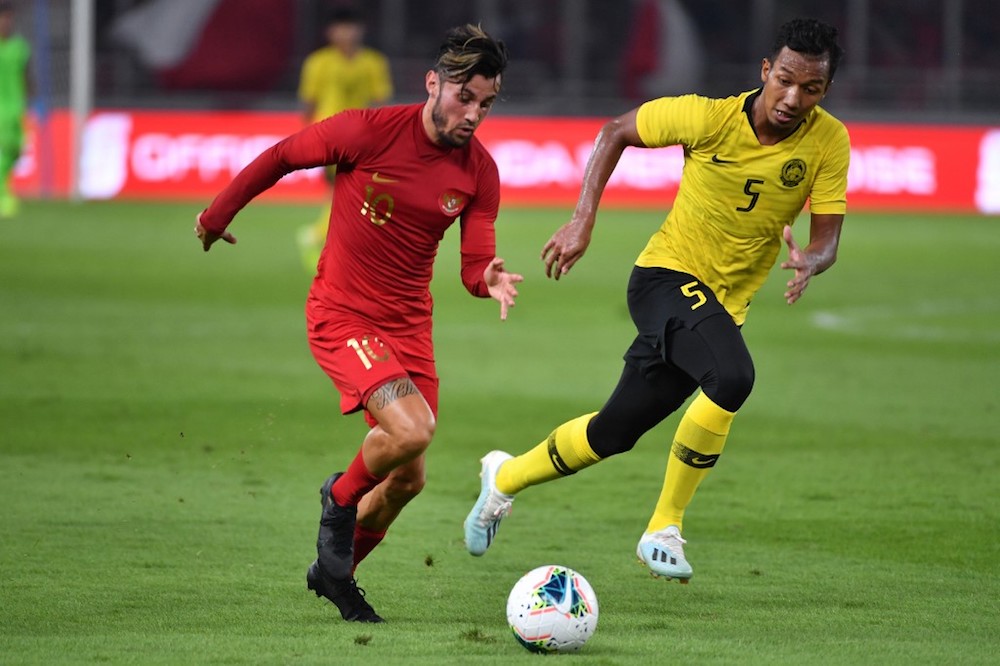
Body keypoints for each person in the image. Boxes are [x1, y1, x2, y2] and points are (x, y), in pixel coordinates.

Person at [464, 18, 849, 583]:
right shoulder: (708, 118)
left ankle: (503, 479)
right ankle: (663, 527)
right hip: (664, 280)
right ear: (766, 71)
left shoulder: (829, 140)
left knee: (612, 434)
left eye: (810, 88)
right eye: (785, 80)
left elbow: (828, 235)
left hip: (717, 309)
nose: (794, 98)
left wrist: (812, 259)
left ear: (824, 91)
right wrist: (582, 220)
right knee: (733, 377)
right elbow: (615, 130)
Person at [196, 24, 520, 621]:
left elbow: (474, 265)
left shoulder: (480, 172)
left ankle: (334, 576)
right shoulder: (367, 132)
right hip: (344, 315)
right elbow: (280, 157)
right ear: (433, 84)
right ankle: (338, 498)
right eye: (464, 97)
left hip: (408, 328)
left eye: (486, 104)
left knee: (406, 481)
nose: (474, 114)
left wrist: (489, 279)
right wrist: (217, 215)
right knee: (414, 431)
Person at [296, 6, 393, 271]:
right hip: (328, 136)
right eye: (341, 27)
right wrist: (305, 141)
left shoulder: (374, 63)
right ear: (330, 32)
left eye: (351, 27)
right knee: (349, 191)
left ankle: (325, 240)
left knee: (347, 192)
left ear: (361, 31)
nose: (347, 33)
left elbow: (382, 103)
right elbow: (309, 103)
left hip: (360, 138)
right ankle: (321, 238)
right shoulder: (317, 63)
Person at [0, 1, 31, 218]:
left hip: (16, 108)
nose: (5, 22)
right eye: (3, 17)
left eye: (9, 18)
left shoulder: (20, 47)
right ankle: (4, 196)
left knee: (15, 152)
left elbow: (26, 76)